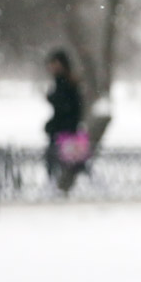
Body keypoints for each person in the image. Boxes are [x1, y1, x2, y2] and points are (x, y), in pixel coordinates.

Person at [44, 48, 86, 192]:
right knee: (67, 162)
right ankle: (59, 187)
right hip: (63, 130)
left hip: (64, 132)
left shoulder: (66, 83)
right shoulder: (63, 82)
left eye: (54, 63)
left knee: (64, 162)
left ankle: (59, 188)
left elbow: (68, 108)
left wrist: (52, 99)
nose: (51, 67)